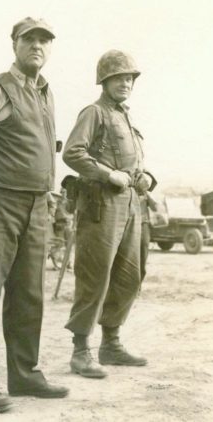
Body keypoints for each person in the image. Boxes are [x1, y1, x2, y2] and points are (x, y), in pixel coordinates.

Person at [0, 17, 69, 414]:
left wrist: (49, 196)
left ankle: (25, 374)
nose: (36, 46)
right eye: (29, 40)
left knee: (29, 292)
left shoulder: (46, 94)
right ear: (14, 45)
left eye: (44, 40)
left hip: (37, 203)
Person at [62, 49, 156, 379]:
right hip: (101, 205)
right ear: (104, 81)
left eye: (130, 78)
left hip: (131, 204)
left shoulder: (125, 116)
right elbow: (72, 153)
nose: (125, 83)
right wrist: (106, 174)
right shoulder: (95, 112)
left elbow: (134, 163)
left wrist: (145, 178)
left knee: (130, 275)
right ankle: (81, 351)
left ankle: (111, 344)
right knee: (95, 276)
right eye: (119, 78)